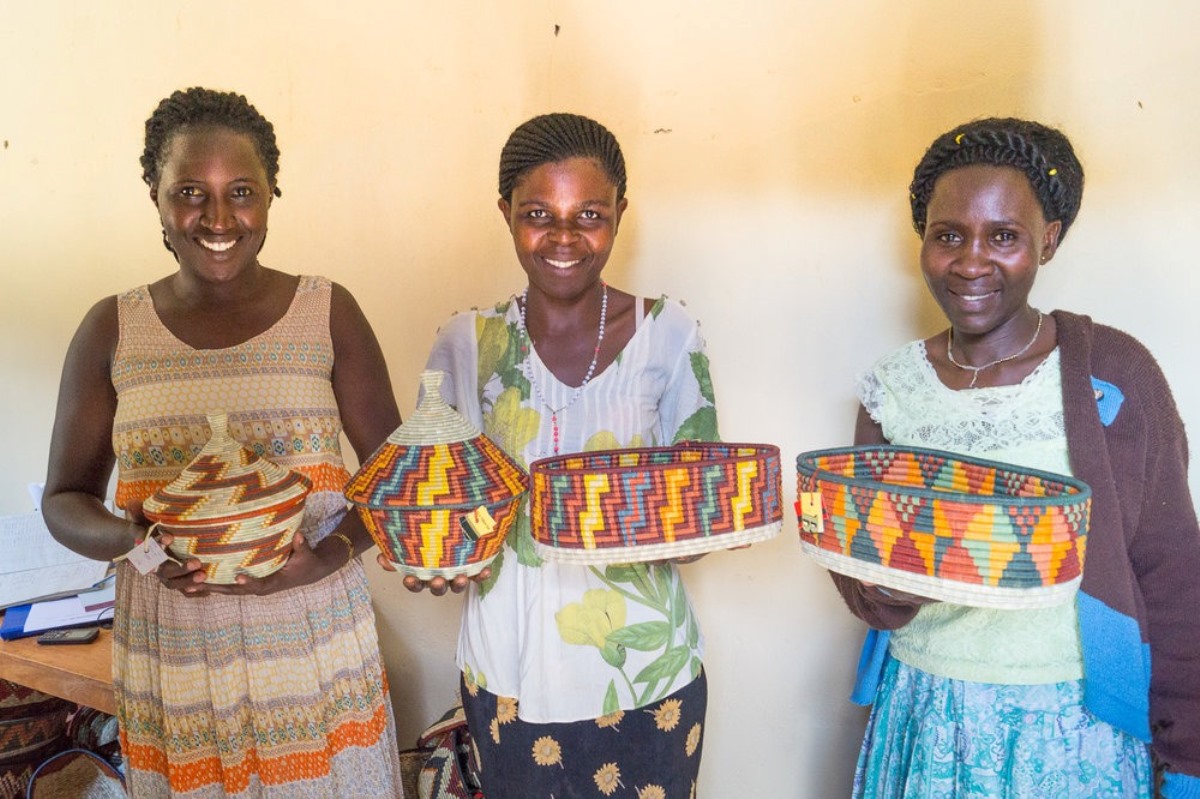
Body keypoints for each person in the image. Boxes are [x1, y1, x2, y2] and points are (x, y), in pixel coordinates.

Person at [41, 87, 406, 797]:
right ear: (155, 197)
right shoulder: (111, 329)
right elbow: (63, 499)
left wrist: (323, 556)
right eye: (189, 191)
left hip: (313, 645)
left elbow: (396, 482)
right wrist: (135, 541)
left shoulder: (327, 312)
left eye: (240, 191)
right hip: (173, 655)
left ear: (271, 194)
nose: (216, 217)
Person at [832, 118, 1200, 797]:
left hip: (1072, 731)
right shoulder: (892, 390)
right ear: (924, 242)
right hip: (925, 713)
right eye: (949, 235)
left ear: (1048, 241)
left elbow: (1175, 573)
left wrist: (1188, 761)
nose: (972, 261)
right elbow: (863, 572)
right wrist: (879, 592)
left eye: (1004, 236)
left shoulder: (1115, 376)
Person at [402, 112, 719, 798]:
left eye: (591, 214)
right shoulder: (466, 343)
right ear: (505, 212)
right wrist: (439, 553)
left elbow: (703, 517)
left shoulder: (668, 335)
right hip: (508, 676)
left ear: (621, 214)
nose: (565, 236)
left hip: (647, 677)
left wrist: (659, 517)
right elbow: (437, 501)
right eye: (539, 213)